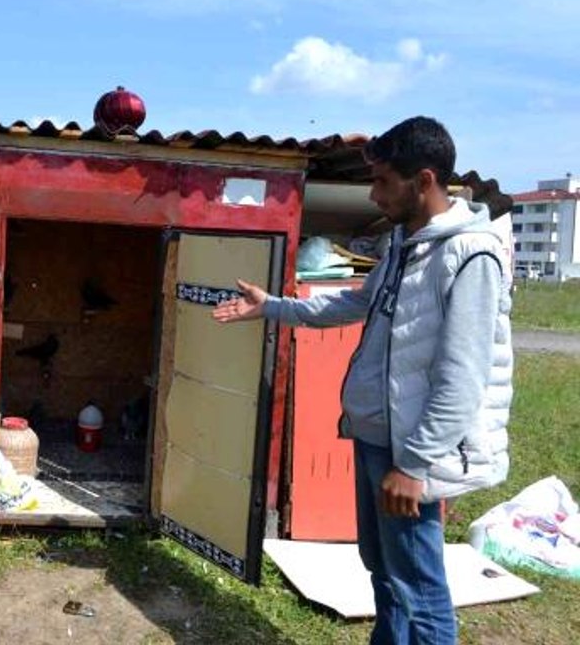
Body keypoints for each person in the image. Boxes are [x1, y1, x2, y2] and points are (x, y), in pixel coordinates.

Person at [212, 116, 512, 644]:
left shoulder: (470, 255)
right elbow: (357, 301)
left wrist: (413, 465)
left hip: (409, 451)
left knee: (419, 590)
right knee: (385, 572)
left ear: (422, 181)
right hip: (376, 436)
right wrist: (274, 307)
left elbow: (463, 376)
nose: (374, 195)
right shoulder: (404, 242)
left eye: (382, 182)